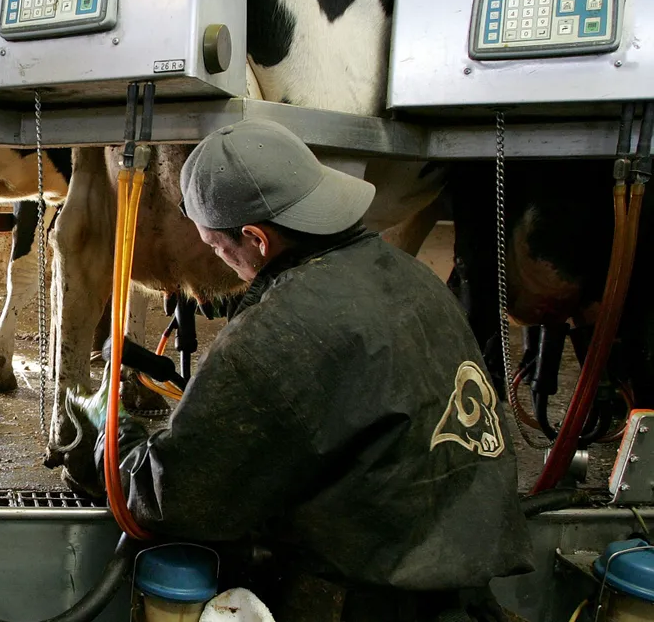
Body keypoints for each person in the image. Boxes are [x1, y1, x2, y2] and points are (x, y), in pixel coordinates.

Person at [63, 119, 534, 622]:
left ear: (256, 239)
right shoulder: (412, 280)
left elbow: (178, 497)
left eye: (219, 249)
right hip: (467, 588)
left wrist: (108, 447)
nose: (224, 261)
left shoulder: (274, 333)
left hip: (364, 601)